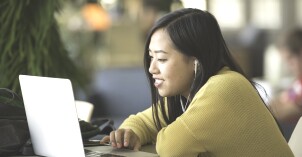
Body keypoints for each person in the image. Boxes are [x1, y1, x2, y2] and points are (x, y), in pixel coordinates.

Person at [101, 8, 293, 157]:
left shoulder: (224, 88)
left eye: (161, 59)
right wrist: (130, 132)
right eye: (151, 58)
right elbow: (142, 121)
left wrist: (155, 134)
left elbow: (171, 148)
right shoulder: (188, 94)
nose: (152, 68)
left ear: (195, 61)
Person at [269, 29, 302, 124]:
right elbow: (284, 98)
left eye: (290, 58)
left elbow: (292, 110)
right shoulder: (298, 83)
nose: (288, 67)